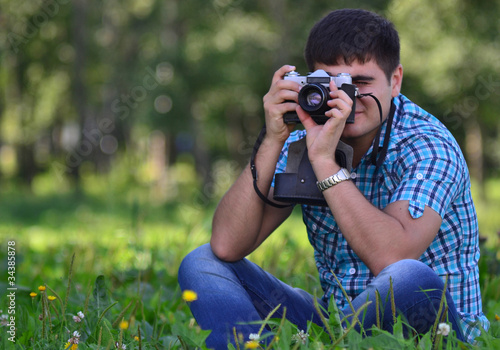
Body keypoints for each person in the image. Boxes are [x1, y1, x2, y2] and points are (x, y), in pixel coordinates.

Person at [178, 8, 489, 349]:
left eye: (360, 83)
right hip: (339, 325)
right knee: (203, 261)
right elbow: (227, 244)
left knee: (408, 277)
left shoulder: (427, 145)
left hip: (429, 331)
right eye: (332, 84)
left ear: (395, 80)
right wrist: (272, 140)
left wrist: (325, 163)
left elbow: (393, 257)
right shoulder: (306, 139)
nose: (347, 99)